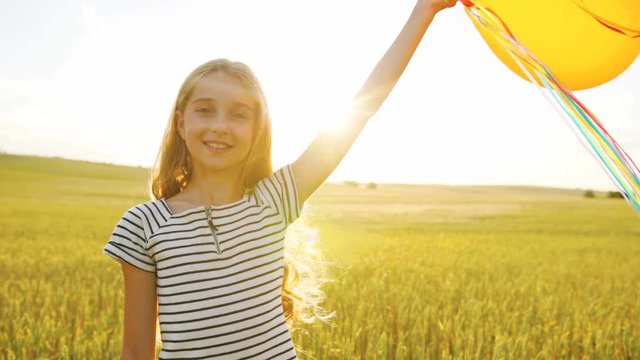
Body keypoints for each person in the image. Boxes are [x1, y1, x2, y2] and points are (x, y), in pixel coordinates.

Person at [102, 0, 458, 358]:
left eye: (239, 114)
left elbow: (363, 108)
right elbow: (135, 352)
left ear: (257, 129)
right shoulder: (142, 225)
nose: (220, 127)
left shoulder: (273, 200)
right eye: (205, 110)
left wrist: (423, 12)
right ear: (181, 123)